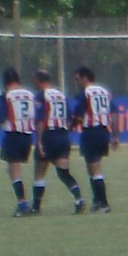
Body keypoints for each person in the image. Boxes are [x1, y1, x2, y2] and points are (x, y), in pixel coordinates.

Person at [29, 68, 85, 215]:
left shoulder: (41, 96)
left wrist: (39, 141)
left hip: (49, 135)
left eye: (34, 80)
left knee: (40, 172)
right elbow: (69, 118)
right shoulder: (61, 95)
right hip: (63, 136)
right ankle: (79, 199)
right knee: (63, 172)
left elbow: (41, 120)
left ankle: (36, 207)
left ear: (39, 80)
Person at [68, 65, 117, 212]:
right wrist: (115, 136)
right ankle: (97, 201)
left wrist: (69, 127)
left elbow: (78, 116)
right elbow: (114, 115)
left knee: (94, 169)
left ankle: (103, 203)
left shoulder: (85, 94)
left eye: (78, 79)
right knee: (92, 167)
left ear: (85, 78)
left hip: (91, 132)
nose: (77, 83)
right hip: (103, 132)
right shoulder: (104, 92)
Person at [0, 67, 40, 214]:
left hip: (13, 135)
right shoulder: (30, 94)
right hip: (27, 136)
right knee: (13, 169)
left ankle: (22, 203)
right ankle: (28, 203)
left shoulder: (7, 96)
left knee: (14, 170)